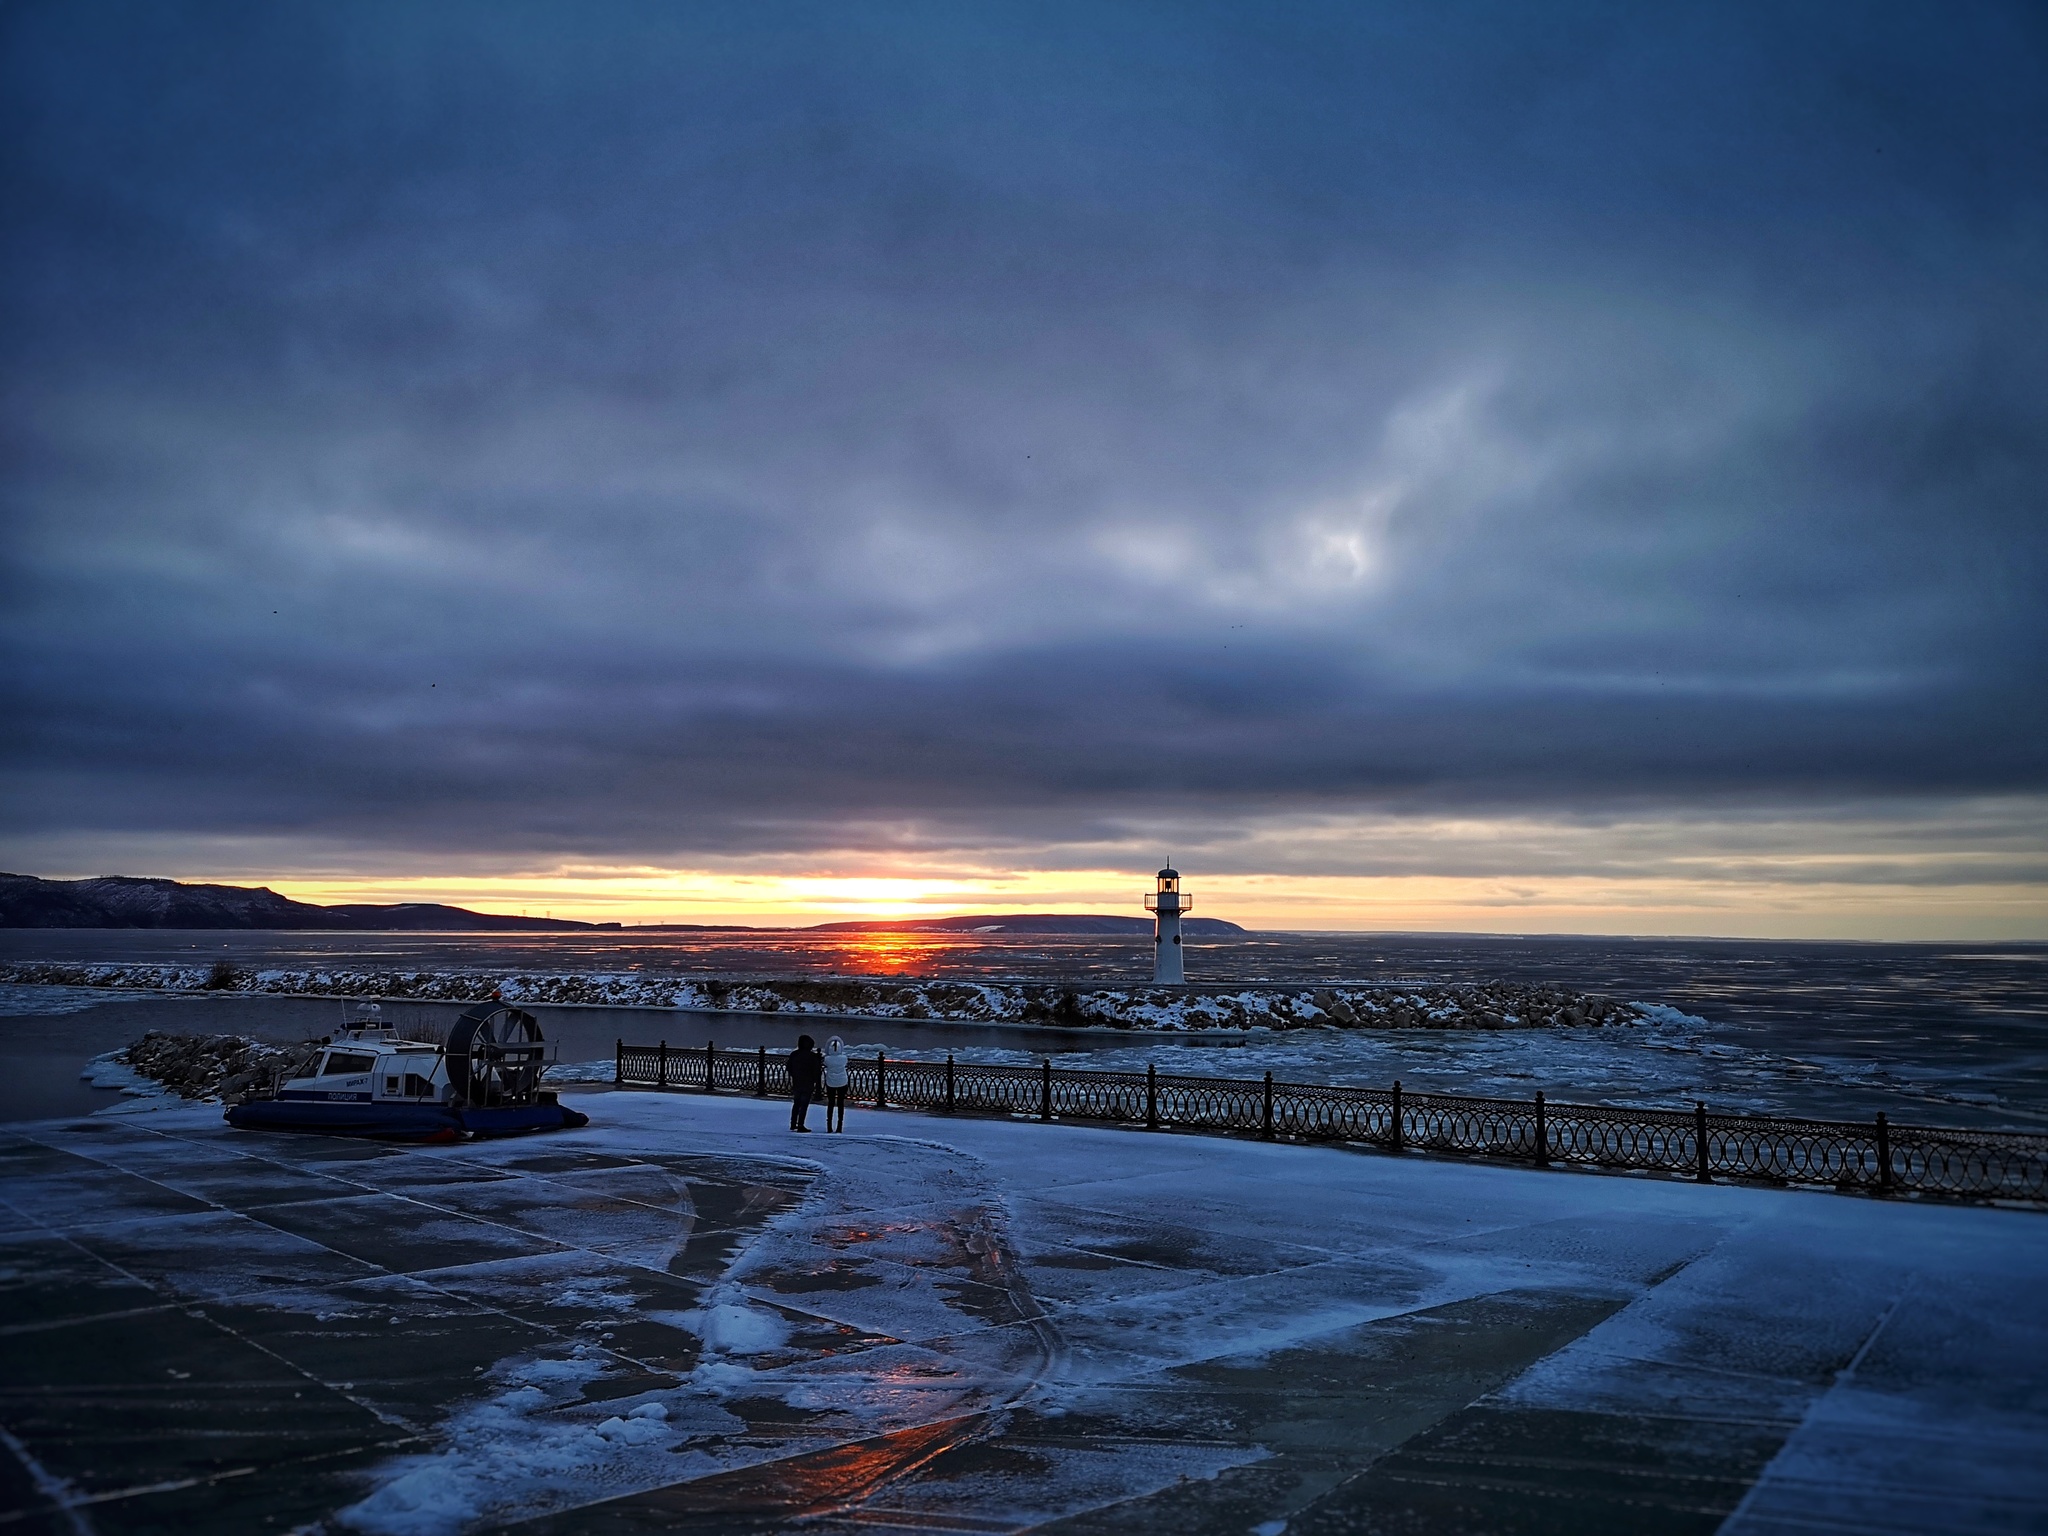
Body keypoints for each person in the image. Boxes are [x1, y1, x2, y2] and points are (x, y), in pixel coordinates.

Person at [787, 1034, 824, 1132]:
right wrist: (815, 1081)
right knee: (804, 1104)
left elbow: (789, 1068)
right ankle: (800, 1125)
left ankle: (793, 1123)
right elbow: (816, 1071)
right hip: (808, 1083)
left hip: (797, 1082)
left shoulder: (794, 1054)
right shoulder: (812, 1056)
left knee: (796, 1103)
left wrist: (794, 1075)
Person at [822, 1036, 850, 1132]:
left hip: (831, 1082)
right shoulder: (844, 1058)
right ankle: (839, 1125)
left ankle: (829, 1125)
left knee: (831, 1103)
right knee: (840, 1103)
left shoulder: (827, 1059)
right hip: (842, 1081)